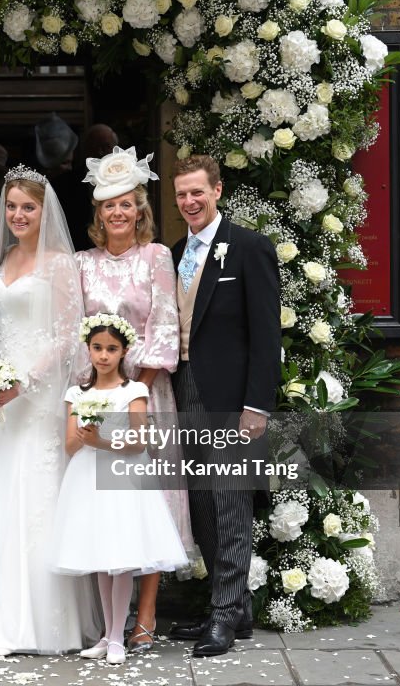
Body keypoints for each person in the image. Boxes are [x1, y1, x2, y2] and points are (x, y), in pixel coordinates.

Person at [0, 166, 100, 656]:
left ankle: (41, 622)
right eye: (11, 207)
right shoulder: (4, 255)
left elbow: (71, 332)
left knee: (36, 494)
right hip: (0, 397)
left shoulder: (58, 263)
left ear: (44, 211)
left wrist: (24, 381)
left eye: (27, 207)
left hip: (39, 395)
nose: (18, 215)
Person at [76, 146, 194, 653]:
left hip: (146, 394)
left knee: (150, 502)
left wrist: (135, 388)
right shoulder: (82, 264)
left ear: (140, 211)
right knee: (106, 503)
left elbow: (166, 321)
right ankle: (108, 622)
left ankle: (145, 613)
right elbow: (72, 331)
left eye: (127, 205)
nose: (118, 213)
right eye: (109, 206)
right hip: (98, 394)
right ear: (99, 214)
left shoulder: (157, 257)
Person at [166, 154, 281, 657]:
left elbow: (266, 333)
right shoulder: (173, 253)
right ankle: (235, 608)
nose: (189, 202)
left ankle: (224, 615)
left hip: (232, 399)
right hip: (183, 387)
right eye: (182, 195)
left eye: (197, 192)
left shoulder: (250, 248)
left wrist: (256, 405)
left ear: (217, 190)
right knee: (202, 503)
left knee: (231, 501)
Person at [52, 314, 188, 666]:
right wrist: (84, 436)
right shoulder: (77, 394)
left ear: (124, 351)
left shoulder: (135, 391)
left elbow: (138, 441)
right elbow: (68, 446)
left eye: (111, 349)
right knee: (102, 558)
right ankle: (107, 634)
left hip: (124, 476)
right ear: (89, 350)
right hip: (87, 479)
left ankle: (116, 638)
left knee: (122, 559)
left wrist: (102, 439)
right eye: (97, 348)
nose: (103, 355)